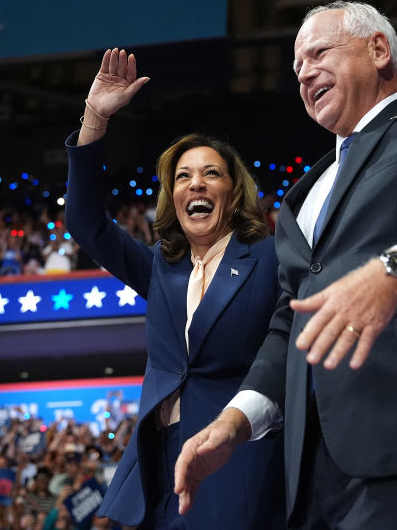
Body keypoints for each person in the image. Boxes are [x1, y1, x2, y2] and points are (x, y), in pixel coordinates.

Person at [175, 1, 397, 528]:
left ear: (379, 49)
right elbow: (291, 321)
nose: (303, 74)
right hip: (312, 474)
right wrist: (236, 419)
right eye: (297, 69)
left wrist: (393, 270)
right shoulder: (301, 197)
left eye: (319, 53)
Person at [64, 48, 283, 529]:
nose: (196, 184)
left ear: (233, 189)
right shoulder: (161, 268)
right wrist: (95, 118)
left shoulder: (269, 258)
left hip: (234, 461)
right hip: (155, 466)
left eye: (211, 173)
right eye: (183, 176)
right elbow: (85, 222)